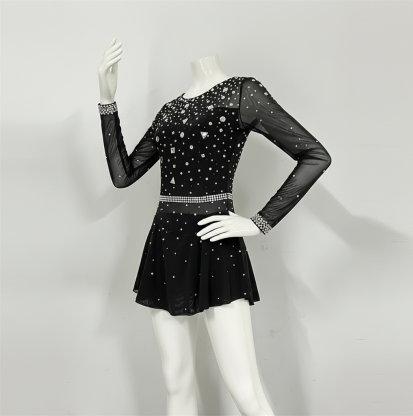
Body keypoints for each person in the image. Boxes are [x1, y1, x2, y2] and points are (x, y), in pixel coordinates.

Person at [97, 37, 331, 415]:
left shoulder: (242, 92)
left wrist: (259, 223)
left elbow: (315, 155)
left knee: (243, 388)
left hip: (214, 240)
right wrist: (107, 99)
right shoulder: (170, 110)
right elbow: (123, 175)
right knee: (176, 383)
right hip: (165, 243)